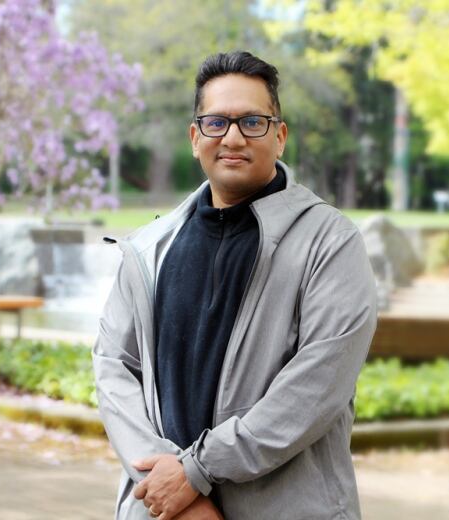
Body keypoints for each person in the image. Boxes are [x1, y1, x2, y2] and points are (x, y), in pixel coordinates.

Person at [92, 51, 377, 520]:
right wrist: (170, 489)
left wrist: (196, 471)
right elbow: (113, 366)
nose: (233, 137)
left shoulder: (330, 241)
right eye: (216, 122)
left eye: (252, 122)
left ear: (280, 136)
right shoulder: (149, 249)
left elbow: (316, 386)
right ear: (194, 137)